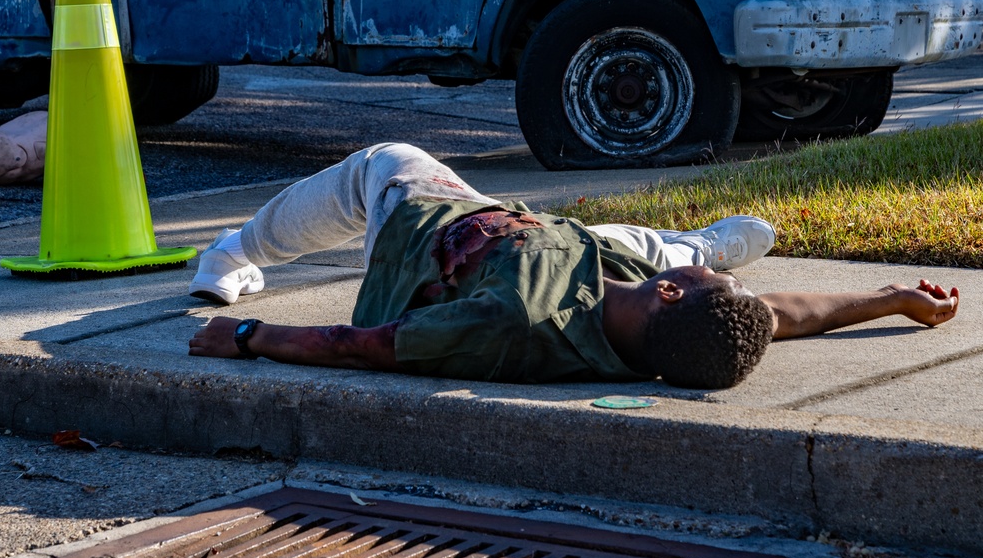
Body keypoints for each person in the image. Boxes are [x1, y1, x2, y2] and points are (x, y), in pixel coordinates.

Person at [187, 143, 959, 389]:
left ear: (669, 298)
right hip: (590, 247)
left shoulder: (510, 323)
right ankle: (704, 247)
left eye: (714, 286)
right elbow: (785, 317)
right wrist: (889, 297)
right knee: (651, 241)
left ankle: (234, 251)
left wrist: (248, 333)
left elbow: (363, 347)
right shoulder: (666, 327)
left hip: (436, 229)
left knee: (387, 160)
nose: (742, 299)